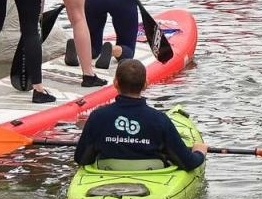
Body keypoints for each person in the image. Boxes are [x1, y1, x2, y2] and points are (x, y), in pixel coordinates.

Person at [73, 58, 207, 170]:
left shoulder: (98, 117)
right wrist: (199, 152)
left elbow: (82, 158)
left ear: (115, 83)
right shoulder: (160, 120)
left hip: (107, 172)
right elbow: (187, 163)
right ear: (145, 85)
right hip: (152, 176)